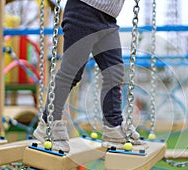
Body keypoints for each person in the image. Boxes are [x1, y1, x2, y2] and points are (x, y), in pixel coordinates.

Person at [33, 0, 147, 152]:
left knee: (114, 73)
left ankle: (113, 125)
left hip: (108, 18)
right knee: (71, 73)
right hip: (83, 11)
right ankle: (48, 123)